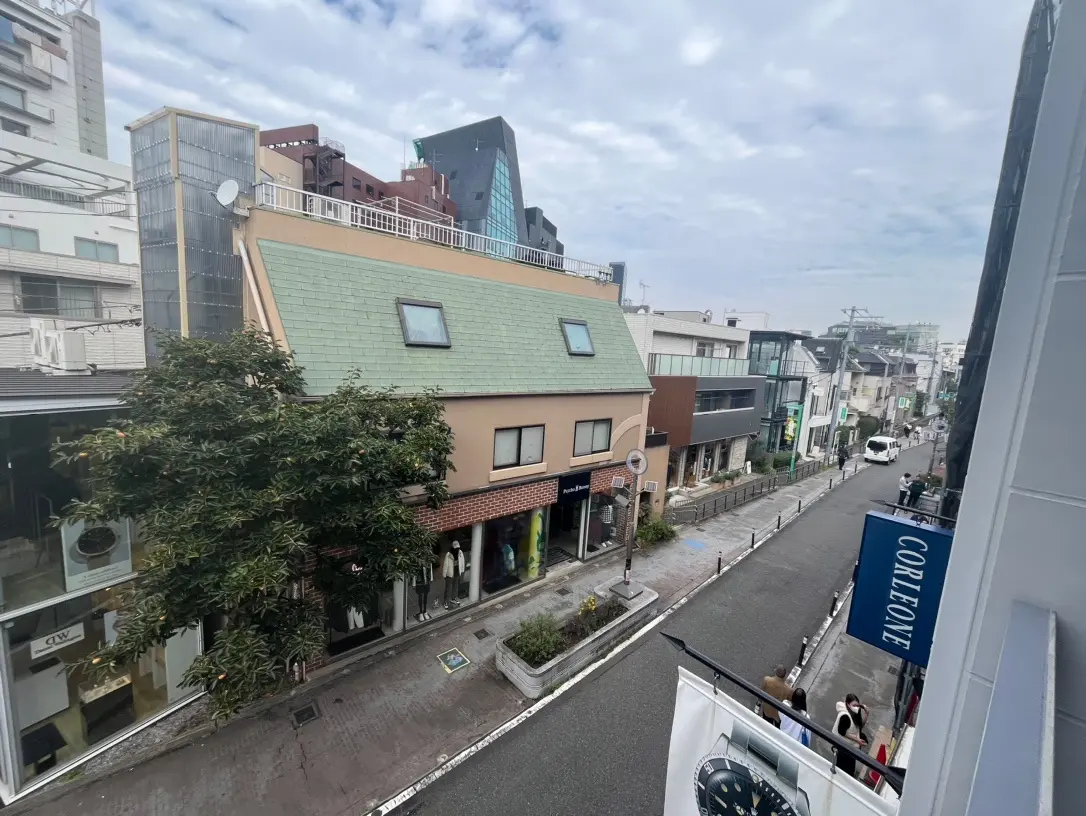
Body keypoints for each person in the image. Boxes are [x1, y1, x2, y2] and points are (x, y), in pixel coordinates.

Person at [833, 693, 869, 777]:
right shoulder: (845, 716)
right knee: (844, 768)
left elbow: (859, 726)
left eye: (857, 705)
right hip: (843, 746)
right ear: (848, 704)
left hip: (851, 747)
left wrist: (867, 714)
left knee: (851, 765)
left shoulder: (855, 712)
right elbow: (841, 731)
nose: (855, 707)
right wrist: (857, 739)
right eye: (853, 705)